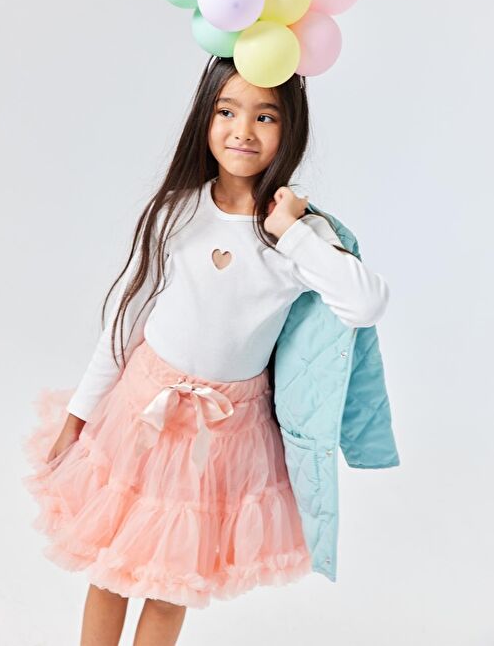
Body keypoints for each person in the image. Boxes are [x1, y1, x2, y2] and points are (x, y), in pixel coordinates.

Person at [22, 55, 390, 645]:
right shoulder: (178, 210)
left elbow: (366, 303)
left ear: (290, 128)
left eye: (265, 116)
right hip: (141, 414)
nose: (243, 130)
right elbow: (125, 321)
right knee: (110, 572)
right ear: (206, 117)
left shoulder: (297, 234)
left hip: (221, 437)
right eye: (227, 111)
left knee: (171, 584)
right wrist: (78, 416)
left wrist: (291, 232)